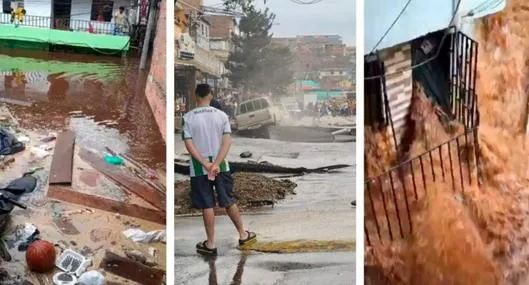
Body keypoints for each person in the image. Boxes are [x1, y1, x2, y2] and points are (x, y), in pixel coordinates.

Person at [182, 84, 256, 256]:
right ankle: (243, 235)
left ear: (196, 96)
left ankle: (210, 244)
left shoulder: (188, 117)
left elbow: (189, 144)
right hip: (221, 166)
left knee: (206, 204)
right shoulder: (222, 116)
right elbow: (227, 142)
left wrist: (205, 164)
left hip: (199, 169)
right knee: (228, 200)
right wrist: (216, 163)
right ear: (211, 95)